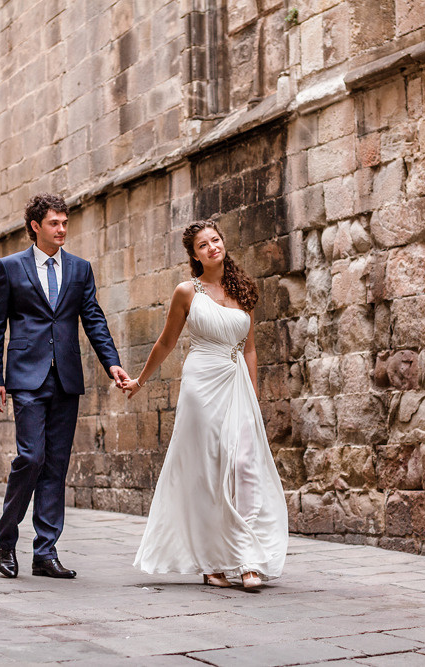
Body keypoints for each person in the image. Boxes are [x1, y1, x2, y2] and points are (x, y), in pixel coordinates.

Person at [124, 219, 288, 588]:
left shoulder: (243, 290)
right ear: (194, 255)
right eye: (203, 245)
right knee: (209, 467)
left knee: (245, 464)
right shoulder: (187, 292)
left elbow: (249, 348)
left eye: (216, 240)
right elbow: (166, 342)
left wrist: (254, 398)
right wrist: (140, 380)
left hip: (237, 385)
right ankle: (212, 563)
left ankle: (247, 559)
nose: (212, 247)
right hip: (201, 382)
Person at [0, 193, 129, 579]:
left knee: (56, 466)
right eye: (54, 223)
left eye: (65, 222)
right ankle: (6, 537)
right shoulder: (10, 267)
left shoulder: (80, 269)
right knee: (31, 458)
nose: (62, 229)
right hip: (26, 377)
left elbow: (93, 319)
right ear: (35, 226)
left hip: (65, 377)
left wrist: (111, 363)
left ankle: (45, 552)